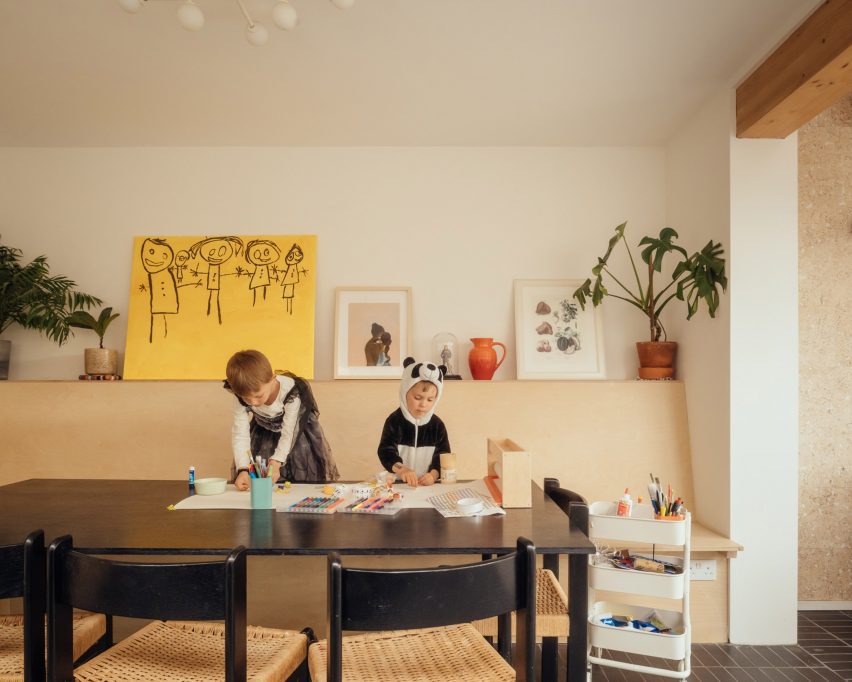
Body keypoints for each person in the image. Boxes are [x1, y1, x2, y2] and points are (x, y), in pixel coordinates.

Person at [224, 349, 339, 489]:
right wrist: (243, 468)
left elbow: (289, 432)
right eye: (246, 398)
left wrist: (277, 460)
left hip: (296, 436)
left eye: (258, 396)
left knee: (300, 483)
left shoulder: (291, 391)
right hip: (264, 433)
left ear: (272, 379)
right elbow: (240, 433)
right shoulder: (240, 396)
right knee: (267, 481)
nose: (253, 402)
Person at [377, 357, 450, 487]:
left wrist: (433, 475)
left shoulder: (437, 425)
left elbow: (443, 456)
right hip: (397, 485)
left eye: (430, 400)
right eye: (417, 398)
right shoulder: (394, 421)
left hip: (427, 486)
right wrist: (402, 469)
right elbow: (385, 452)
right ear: (405, 392)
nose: (423, 404)